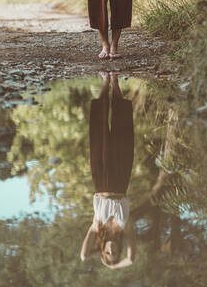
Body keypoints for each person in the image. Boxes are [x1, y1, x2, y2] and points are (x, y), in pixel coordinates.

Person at [80, 72, 135, 268]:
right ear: (120, 249)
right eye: (116, 252)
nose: (113, 250)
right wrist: (116, 265)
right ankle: (115, 83)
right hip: (121, 179)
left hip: (101, 179)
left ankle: (105, 82)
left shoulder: (97, 228)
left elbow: (84, 256)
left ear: (103, 249)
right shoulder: (125, 229)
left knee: (99, 132)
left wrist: (108, 264)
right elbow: (131, 259)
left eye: (108, 253)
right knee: (123, 131)